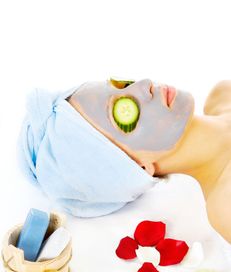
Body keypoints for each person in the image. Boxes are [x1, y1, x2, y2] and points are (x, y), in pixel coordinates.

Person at [18, 78, 231, 243]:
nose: (144, 84)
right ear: (137, 168)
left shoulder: (222, 93)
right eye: (125, 109)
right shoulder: (225, 208)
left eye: (123, 85)